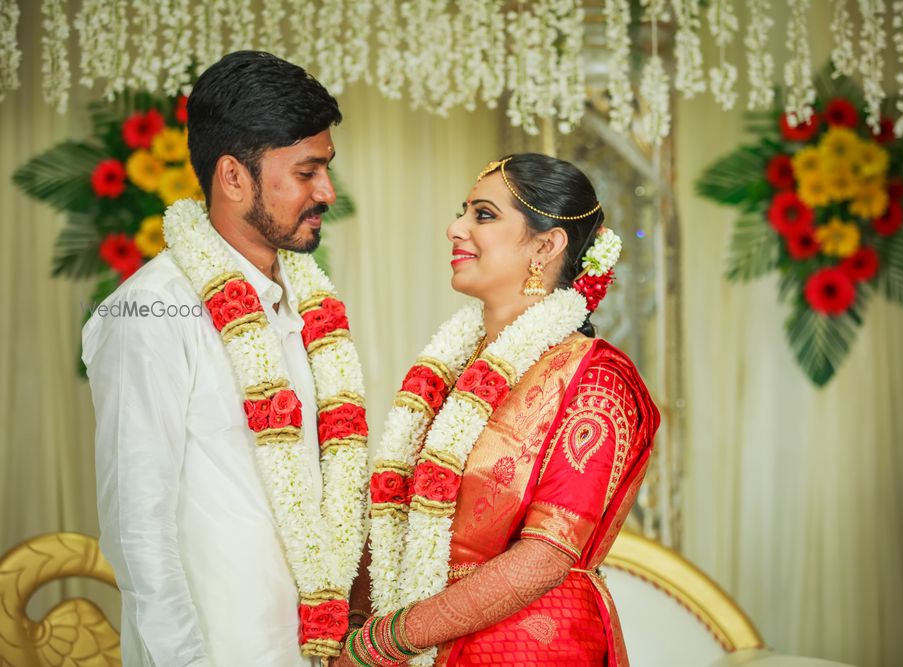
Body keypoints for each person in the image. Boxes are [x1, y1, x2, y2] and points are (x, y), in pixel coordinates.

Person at [83, 51, 369, 666]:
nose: (327, 192)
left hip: (315, 650)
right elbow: (138, 531)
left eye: (327, 168)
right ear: (233, 177)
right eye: (306, 171)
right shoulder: (150, 313)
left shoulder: (308, 304)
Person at [342, 153, 660, 666]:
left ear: (546, 244)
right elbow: (392, 509)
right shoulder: (453, 367)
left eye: (483, 215)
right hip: (412, 637)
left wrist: (387, 641)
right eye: (462, 212)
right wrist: (356, 626)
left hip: (528, 646)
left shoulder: (597, 379)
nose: (455, 228)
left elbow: (546, 556)